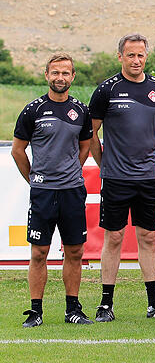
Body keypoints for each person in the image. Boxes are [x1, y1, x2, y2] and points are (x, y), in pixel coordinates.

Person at [88, 34, 155, 321]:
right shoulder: (106, 90)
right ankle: (105, 305)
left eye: (140, 55)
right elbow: (91, 134)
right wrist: (106, 164)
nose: (136, 60)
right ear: (120, 57)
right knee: (113, 238)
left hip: (147, 177)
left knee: (148, 237)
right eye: (130, 55)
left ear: (146, 56)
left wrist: (148, 152)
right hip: (115, 178)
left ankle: (154, 303)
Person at [12, 53, 93, 327]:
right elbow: (17, 150)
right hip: (43, 193)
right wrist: (34, 179)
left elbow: (85, 147)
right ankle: (36, 311)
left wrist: (72, 171)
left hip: (72, 191)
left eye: (65, 73)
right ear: (46, 75)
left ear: (73, 76)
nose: (60, 78)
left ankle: (73, 309)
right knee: (39, 253)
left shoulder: (81, 110)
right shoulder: (32, 110)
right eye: (55, 73)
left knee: (75, 252)